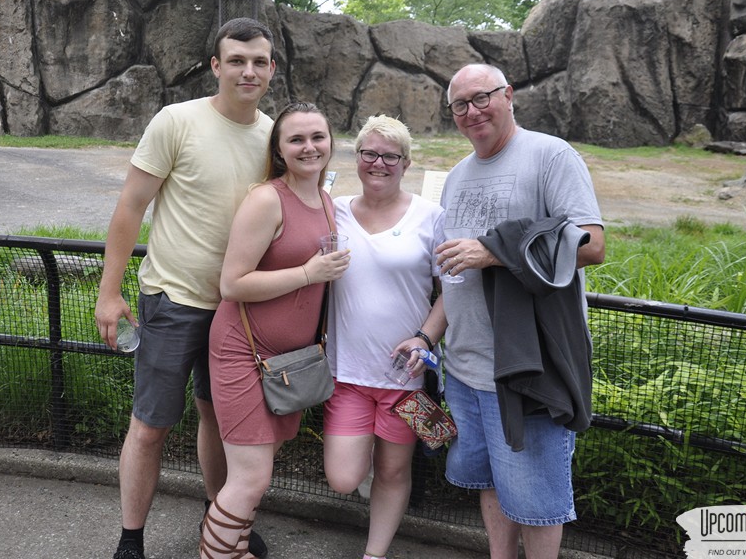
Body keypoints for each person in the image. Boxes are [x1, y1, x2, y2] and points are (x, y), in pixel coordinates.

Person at [94, 17, 277, 559]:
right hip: (173, 301)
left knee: (219, 419)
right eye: (237, 60)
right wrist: (110, 291)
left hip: (239, 310)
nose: (249, 70)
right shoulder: (176, 121)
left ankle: (219, 520)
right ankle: (131, 539)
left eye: (260, 61)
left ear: (271, 69)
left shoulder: (274, 136)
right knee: (150, 426)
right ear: (216, 66)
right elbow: (130, 206)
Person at [434, 63, 605, 559]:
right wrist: (429, 339)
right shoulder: (457, 176)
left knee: (536, 499)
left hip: (527, 367)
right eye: (460, 105)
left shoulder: (550, 155)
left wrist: (494, 252)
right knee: (491, 482)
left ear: (508, 95)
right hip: (463, 369)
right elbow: (452, 276)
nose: (472, 111)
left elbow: (592, 245)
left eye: (482, 97)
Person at [200, 102, 350, 559]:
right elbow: (232, 284)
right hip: (244, 352)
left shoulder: (324, 199)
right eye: (297, 139)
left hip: (287, 364)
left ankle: (236, 549)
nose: (309, 147)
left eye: (317, 137)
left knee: (257, 472)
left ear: (330, 143)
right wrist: (308, 274)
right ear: (280, 150)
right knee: (250, 477)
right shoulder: (267, 198)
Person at [321, 114, 447, 559]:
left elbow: (450, 293)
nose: (379, 163)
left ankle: (374, 553)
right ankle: (365, 466)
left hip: (405, 377)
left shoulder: (431, 217)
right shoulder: (331, 211)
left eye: (390, 156)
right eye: (369, 153)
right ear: (357, 158)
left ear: (406, 162)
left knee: (394, 471)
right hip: (348, 372)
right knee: (342, 477)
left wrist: (425, 338)